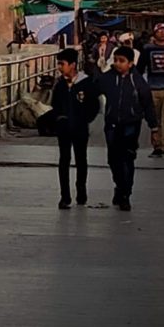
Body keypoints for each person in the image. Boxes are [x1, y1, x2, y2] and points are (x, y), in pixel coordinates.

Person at [97, 46, 160, 211]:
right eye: (116, 60)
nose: (118, 64)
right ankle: (119, 185)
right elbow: (92, 88)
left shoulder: (138, 81)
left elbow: (147, 105)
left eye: (122, 61)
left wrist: (154, 128)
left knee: (127, 158)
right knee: (113, 159)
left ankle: (125, 194)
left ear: (131, 63)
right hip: (111, 123)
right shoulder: (108, 78)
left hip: (131, 124)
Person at [50, 48, 100, 209]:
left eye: (62, 64)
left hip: (80, 128)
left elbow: (94, 105)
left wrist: (85, 119)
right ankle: (65, 196)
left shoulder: (86, 83)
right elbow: (55, 105)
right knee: (64, 160)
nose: (59, 67)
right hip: (63, 129)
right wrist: (59, 119)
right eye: (58, 64)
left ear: (72, 65)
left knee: (81, 160)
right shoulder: (60, 85)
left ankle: (81, 192)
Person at [138, 22, 164, 159]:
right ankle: (156, 147)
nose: (162, 33)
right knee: (154, 120)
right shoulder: (147, 49)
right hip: (152, 88)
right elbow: (139, 69)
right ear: (154, 33)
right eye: (159, 31)